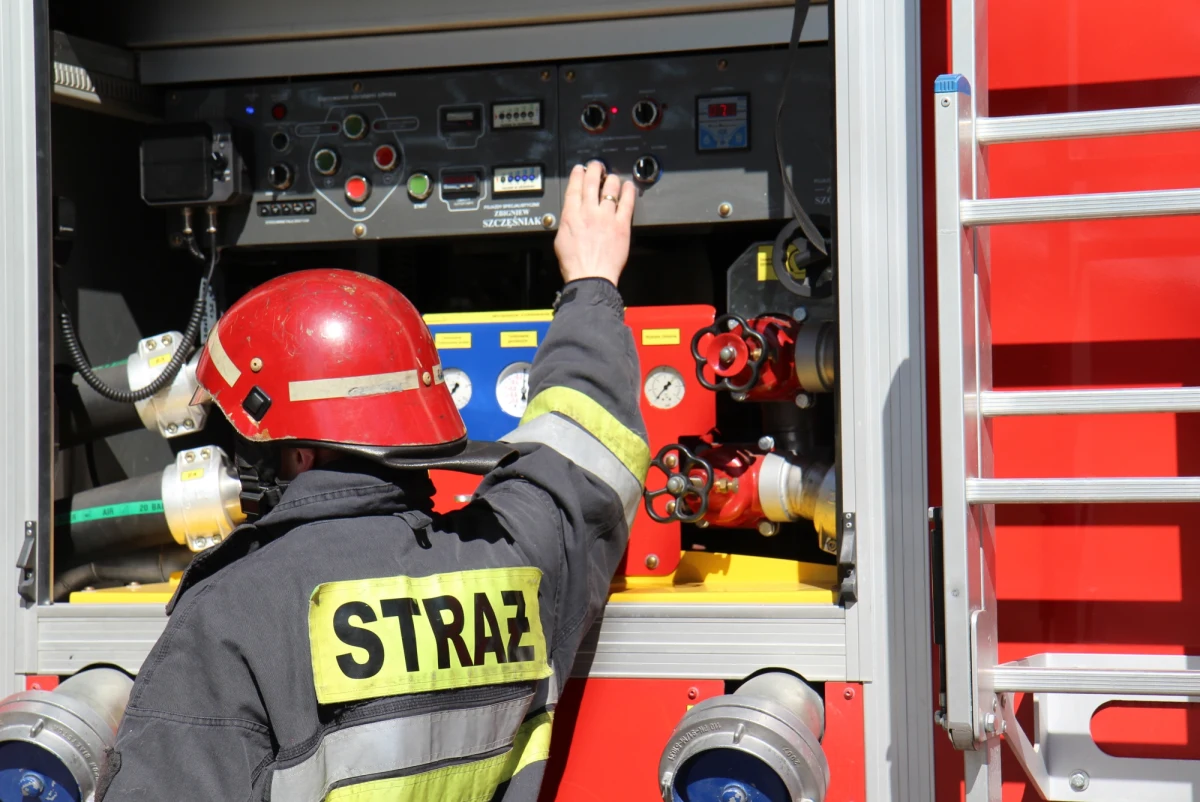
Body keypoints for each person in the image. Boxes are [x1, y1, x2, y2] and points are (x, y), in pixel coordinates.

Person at [96, 161, 646, 801]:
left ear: (299, 453)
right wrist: (592, 282)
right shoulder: (513, 558)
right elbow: (587, 445)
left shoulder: (233, 617)